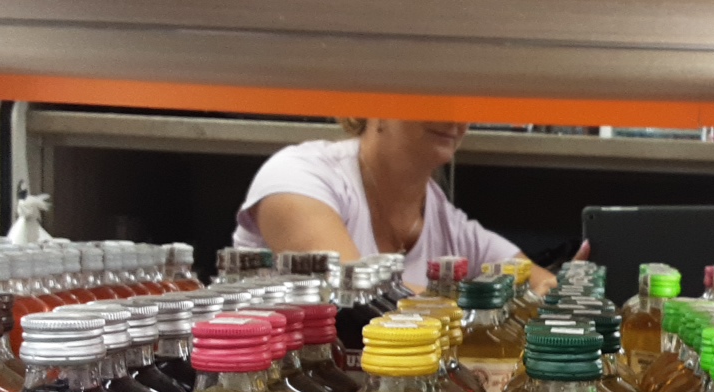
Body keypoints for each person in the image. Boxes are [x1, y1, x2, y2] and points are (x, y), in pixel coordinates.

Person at [233, 119, 555, 294]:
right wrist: (488, 309)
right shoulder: (298, 176)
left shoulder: (445, 218)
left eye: (465, 100)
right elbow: (354, 296)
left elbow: (539, 282)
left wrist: (549, 294)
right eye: (431, 94)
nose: (455, 116)